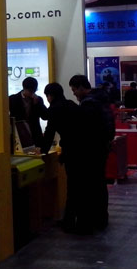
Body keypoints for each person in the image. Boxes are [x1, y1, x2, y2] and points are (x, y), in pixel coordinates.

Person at [69, 74, 114, 232]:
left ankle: (88, 223)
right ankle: (101, 219)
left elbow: (84, 132)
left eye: (74, 90)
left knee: (88, 188)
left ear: (81, 87)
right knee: (99, 185)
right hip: (101, 149)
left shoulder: (88, 105)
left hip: (90, 152)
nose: (74, 93)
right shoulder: (102, 100)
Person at [40, 83, 86, 232]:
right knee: (79, 186)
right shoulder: (70, 104)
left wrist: (42, 151)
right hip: (83, 149)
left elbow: (49, 131)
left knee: (73, 187)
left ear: (50, 96)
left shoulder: (55, 108)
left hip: (72, 151)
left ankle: (73, 223)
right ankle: (77, 220)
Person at [8, 77, 47, 148]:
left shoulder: (38, 99)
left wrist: (38, 104)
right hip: (19, 135)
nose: (32, 93)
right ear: (24, 88)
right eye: (30, 91)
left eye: (34, 91)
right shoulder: (12, 99)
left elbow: (45, 116)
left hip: (35, 136)